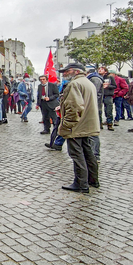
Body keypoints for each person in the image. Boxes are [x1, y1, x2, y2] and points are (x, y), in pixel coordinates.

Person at [58, 63, 100, 193]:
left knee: (77, 154)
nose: (64, 74)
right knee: (88, 153)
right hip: (87, 123)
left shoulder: (75, 84)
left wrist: (66, 124)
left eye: (66, 71)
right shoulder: (88, 82)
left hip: (77, 125)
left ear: (75, 71)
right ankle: (93, 179)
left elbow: (74, 107)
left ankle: (81, 183)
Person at [99, 66, 116, 131]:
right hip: (100, 95)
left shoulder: (110, 77)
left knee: (108, 110)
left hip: (108, 95)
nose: (100, 70)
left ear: (105, 71)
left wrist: (108, 86)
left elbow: (114, 86)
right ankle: (99, 124)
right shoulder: (98, 77)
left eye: (102, 69)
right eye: (99, 69)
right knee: (99, 110)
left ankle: (109, 124)